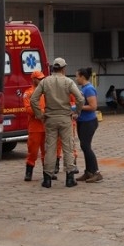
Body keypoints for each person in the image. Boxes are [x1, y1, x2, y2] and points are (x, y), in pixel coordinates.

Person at [32, 57, 85, 188]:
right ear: (63, 68)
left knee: (50, 148)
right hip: (65, 118)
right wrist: (77, 112)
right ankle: (69, 178)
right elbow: (80, 98)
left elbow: (33, 99)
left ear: (53, 68)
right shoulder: (68, 81)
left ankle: (47, 179)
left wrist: (39, 115)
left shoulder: (45, 82)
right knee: (68, 147)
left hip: (50, 119)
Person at [74, 67, 103, 183]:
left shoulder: (89, 89)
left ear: (82, 77)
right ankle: (88, 172)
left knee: (86, 146)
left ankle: (96, 172)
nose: (76, 79)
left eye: (77, 76)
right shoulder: (84, 88)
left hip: (89, 122)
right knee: (84, 146)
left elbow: (93, 106)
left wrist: (77, 107)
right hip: (82, 121)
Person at [22, 70, 47, 181]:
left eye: (42, 78)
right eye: (39, 79)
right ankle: (29, 171)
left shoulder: (46, 92)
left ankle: (47, 172)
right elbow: (28, 109)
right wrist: (42, 112)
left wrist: (43, 113)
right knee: (33, 151)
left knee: (47, 151)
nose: (41, 80)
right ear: (33, 79)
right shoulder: (28, 93)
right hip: (35, 127)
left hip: (46, 126)